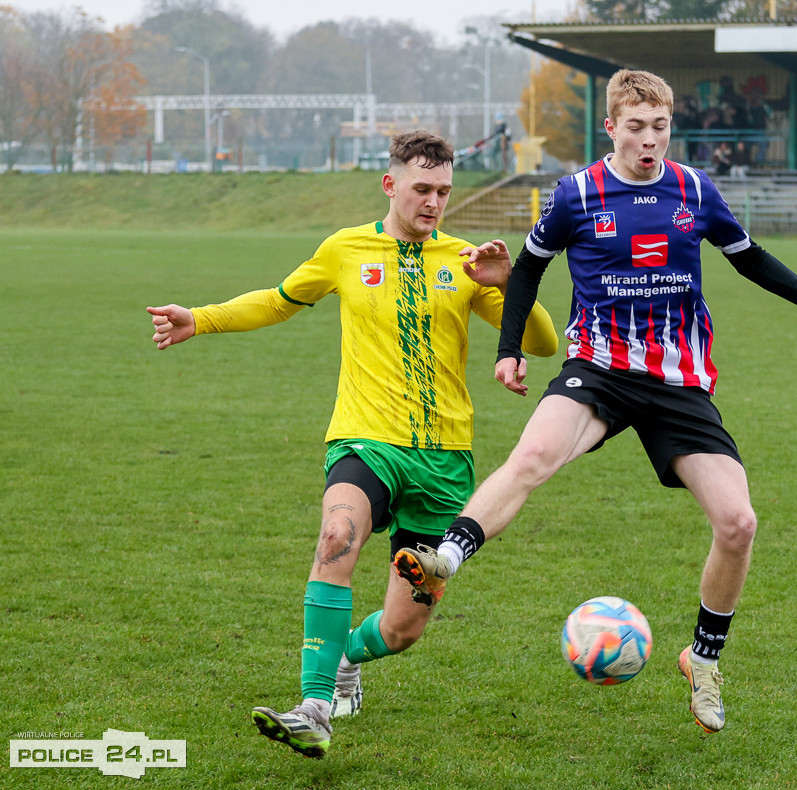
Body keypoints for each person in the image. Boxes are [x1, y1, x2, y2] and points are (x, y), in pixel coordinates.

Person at [394, 70, 797, 736]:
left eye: (661, 127)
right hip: (600, 370)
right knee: (533, 455)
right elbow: (527, 266)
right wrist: (509, 347)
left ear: (671, 127)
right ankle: (446, 556)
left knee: (739, 523)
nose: (649, 140)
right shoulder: (575, 194)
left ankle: (703, 660)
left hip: (678, 383)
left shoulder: (695, 190)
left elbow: (747, 256)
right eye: (636, 127)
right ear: (610, 127)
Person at [146, 131, 558, 759]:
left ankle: (346, 657)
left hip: (444, 460)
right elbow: (279, 302)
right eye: (422, 189)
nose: (433, 203)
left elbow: (543, 343)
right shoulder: (346, 248)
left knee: (401, 630)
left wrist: (509, 284)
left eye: (444, 191)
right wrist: (200, 318)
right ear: (390, 184)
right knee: (336, 539)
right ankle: (314, 707)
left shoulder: (467, 260)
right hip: (365, 440)